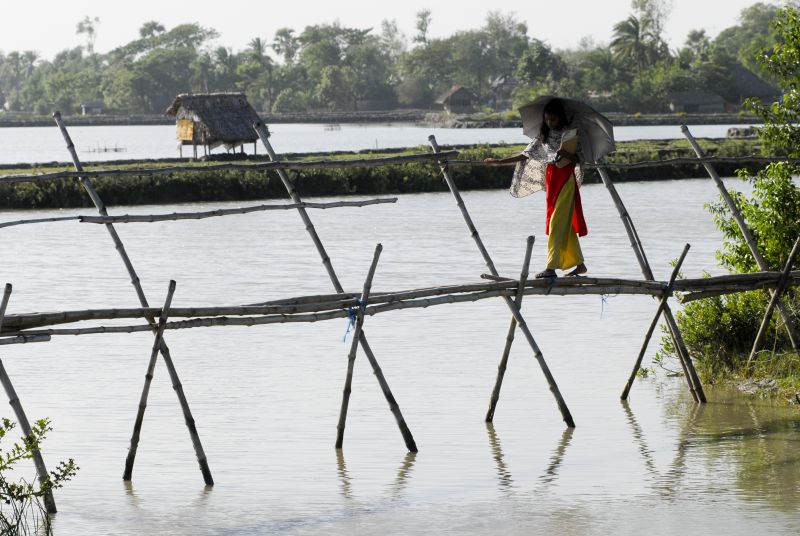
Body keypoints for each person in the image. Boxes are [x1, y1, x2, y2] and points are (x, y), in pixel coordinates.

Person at [484, 98, 587, 278]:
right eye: (546, 119)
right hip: (552, 179)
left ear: (561, 118)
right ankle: (579, 265)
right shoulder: (543, 136)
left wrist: (567, 154)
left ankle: (551, 267)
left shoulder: (569, 134)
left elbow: (578, 160)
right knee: (563, 224)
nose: (549, 122)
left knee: (556, 223)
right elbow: (525, 155)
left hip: (565, 181)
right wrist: (499, 162)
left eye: (552, 119)